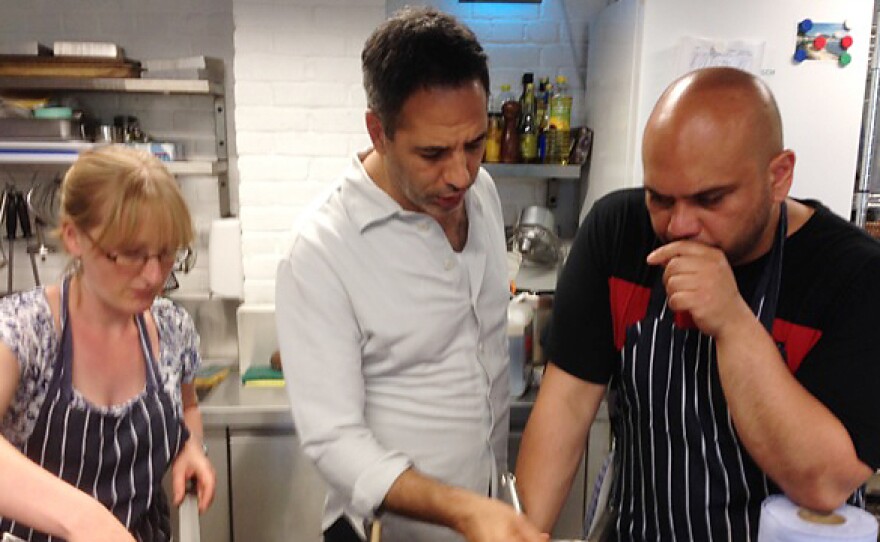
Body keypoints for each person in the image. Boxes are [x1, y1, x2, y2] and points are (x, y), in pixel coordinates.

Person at [515, 66, 880, 541]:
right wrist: (519, 532)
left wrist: (732, 321)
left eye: (710, 199)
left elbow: (822, 482)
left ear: (778, 177)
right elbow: (564, 411)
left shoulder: (854, 276)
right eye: (660, 198)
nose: (680, 225)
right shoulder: (618, 235)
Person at [275, 7, 547, 542]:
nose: (461, 173)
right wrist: (461, 510)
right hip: (385, 533)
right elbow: (334, 441)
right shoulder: (321, 249)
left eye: (474, 143)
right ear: (378, 131)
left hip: (483, 519)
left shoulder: (483, 194)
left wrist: (482, 508)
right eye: (432, 153)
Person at [0, 145, 215, 542]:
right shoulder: (24, 330)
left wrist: (191, 447)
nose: (154, 276)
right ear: (74, 237)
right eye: (131, 254)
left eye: (167, 255)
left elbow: (187, 407)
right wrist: (85, 520)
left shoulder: (171, 328)